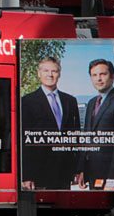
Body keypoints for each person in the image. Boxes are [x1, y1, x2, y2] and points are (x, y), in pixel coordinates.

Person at [20, 56, 81, 190]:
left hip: (65, 171)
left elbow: (76, 136)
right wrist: (26, 175)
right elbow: (23, 141)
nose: (50, 74)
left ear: (59, 74)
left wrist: (78, 168)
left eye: (54, 71)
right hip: (39, 171)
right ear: (39, 73)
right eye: (46, 71)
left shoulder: (70, 101)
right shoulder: (27, 101)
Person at [77, 59, 114, 189]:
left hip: (111, 174)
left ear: (112, 76)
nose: (98, 79)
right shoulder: (91, 102)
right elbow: (86, 137)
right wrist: (82, 169)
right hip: (92, 172)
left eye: (103, 74)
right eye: (94, 75)